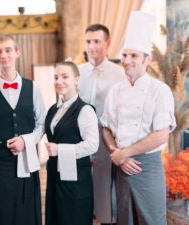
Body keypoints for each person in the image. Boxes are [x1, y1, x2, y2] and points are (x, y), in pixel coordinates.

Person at [100, 11, 176, 225]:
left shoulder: (160, 91)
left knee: (151, 220)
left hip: (147, 168)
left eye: (134, 56)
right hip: (121, 168)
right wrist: (116, 152)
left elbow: (161, 135)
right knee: (125, 220)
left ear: (147, 59)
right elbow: (105, 127)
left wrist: (125, 153)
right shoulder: (115, 90)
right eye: (125, 55)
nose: (127, 61)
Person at [0, 34, 45, 225]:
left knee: (28, 211)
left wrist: (26, 140)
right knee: (2, 212)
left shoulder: (33, 88)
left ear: (17, 52)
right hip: (0, 165)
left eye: (8, 50)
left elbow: (42, 124)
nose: (3, 55)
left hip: (28, 160)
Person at [77, 24, 125, 225]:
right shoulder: (77, 72)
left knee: (104, 182)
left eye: (97, 41)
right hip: (79, 137)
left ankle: (107, 219)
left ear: (108, 43)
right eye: (88, 41)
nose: (92, 46)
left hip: (106, 137)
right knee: (80, 182)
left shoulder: (119, 73)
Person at [44, 61, 99, 225]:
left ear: (76, 79)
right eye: (56, 77)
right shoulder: (53, 109)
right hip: (55, 177)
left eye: (65, 76)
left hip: (76, 182)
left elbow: (92, 144)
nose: (59, 81)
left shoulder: (85, 110)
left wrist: (59, 150)